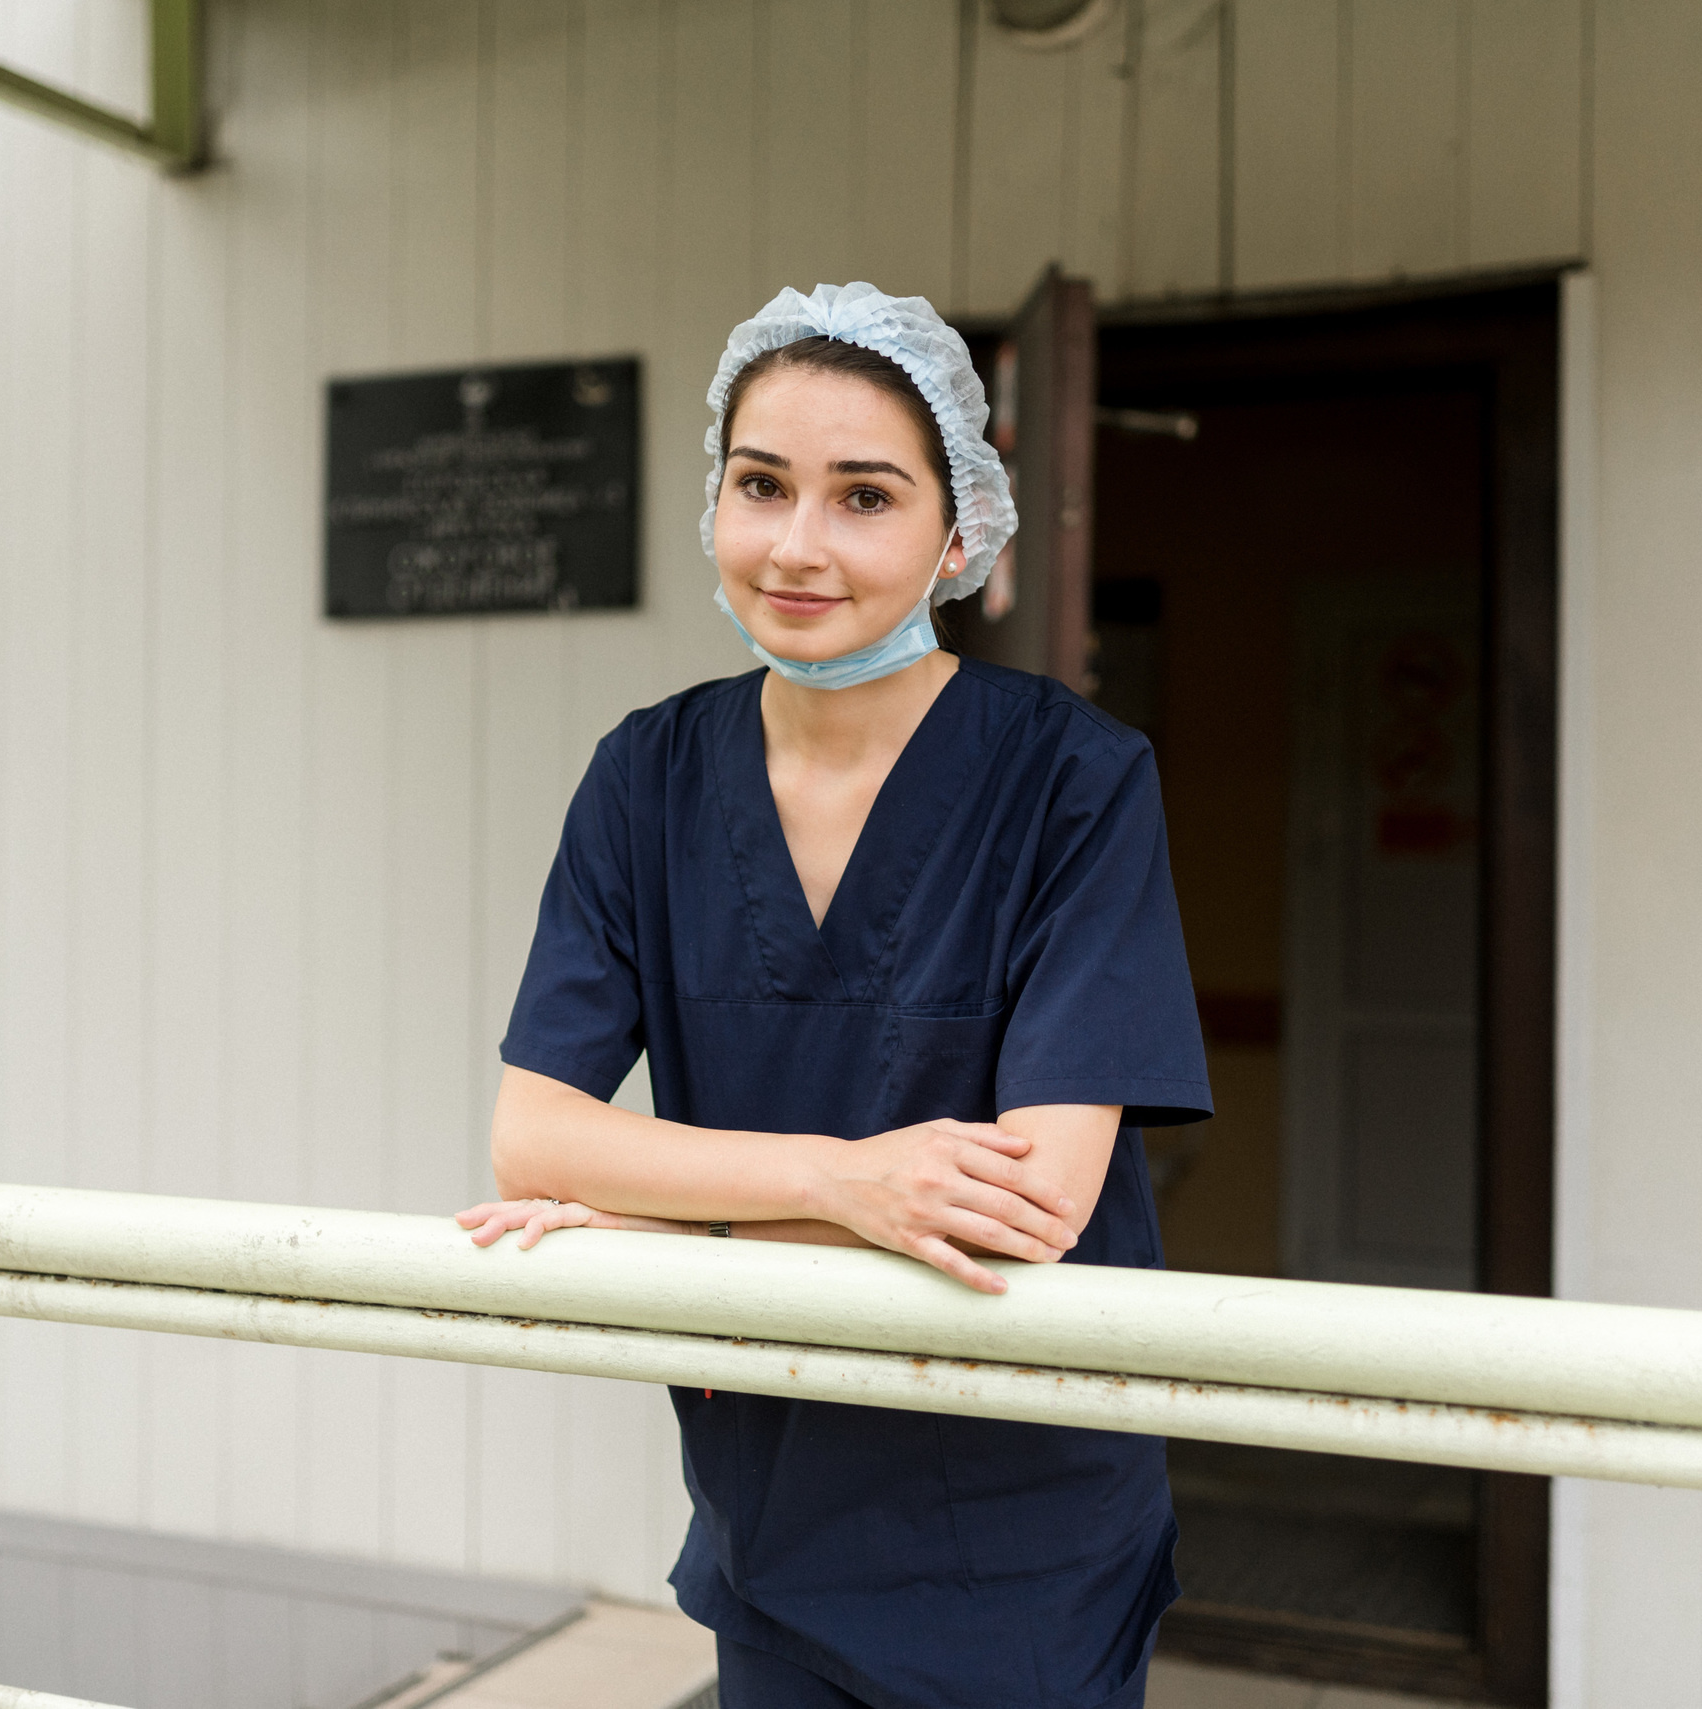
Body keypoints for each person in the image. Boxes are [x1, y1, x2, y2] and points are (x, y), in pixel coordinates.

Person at [456, 282, 1211, 1709]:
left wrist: (662, 1212)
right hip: (772, 1502)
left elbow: (1033, 1203)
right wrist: (842, 1181)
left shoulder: (1074, 781)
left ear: (958, 534)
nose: (798, 545)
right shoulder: (645, 780)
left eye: (865, 496)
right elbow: (535, 1137)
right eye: (762, 485)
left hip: (1018, 1522)